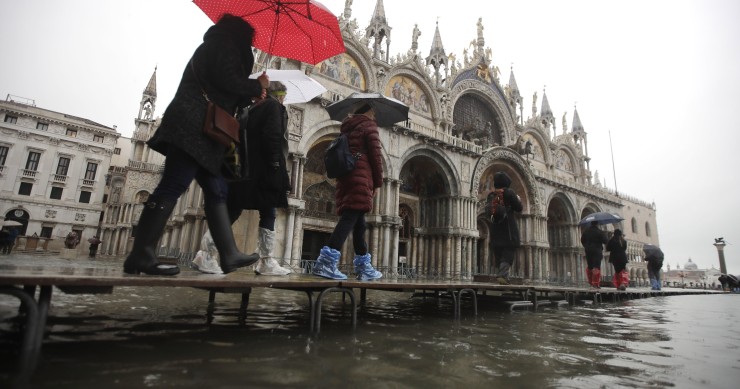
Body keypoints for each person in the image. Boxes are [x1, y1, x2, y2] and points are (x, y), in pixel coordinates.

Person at [123, 14, 269, 276]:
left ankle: (228, 253)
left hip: (202, 129)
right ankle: (141, 254)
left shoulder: (219, 44)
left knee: (217, 190)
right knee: (174, 184)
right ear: (241, 34)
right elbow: (228, 81)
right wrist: (255, 85)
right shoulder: (223, 45)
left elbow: (224, 91)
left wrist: (253, 93)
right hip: (195, 126)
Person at [223, 81, 293, 276]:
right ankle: (266, 261)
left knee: (233, 210)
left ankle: (206, 252)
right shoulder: (274, 107)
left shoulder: (252, 108)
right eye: (283, 95)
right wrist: (275, 164)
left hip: (246, 168)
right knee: (268, 212)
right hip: (265, 169)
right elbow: (273, 136)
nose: (284, 99)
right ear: (279, 95)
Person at [312, 102, 384, 280]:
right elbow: (376, 157)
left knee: (359, 224)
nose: (375, 115)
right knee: (350, 218)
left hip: (347, 176)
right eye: (373, 111)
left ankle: (364, 268)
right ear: (367, 111)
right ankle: (325, 263)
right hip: (361, 176)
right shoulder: (369, 126)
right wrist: (378, 182)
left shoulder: (347, 127)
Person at [486, 171, 523, 285]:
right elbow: (519, 208)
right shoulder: (509, 193)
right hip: (508, 228)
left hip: (495, 228)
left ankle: (502, 275)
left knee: (499, 251)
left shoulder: (491, 195)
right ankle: (502, 275)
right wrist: (517, 199)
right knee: (509, 252)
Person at [581, 221, 608, 288]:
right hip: (597, 250)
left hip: (588, 250)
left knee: (590, 266)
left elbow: (582, 240)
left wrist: (586, 246)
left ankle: (590, 283)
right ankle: (595, 283)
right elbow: (606, 241)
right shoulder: (600, 232)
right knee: (596, 267)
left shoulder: (586, 231)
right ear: (597, 224)